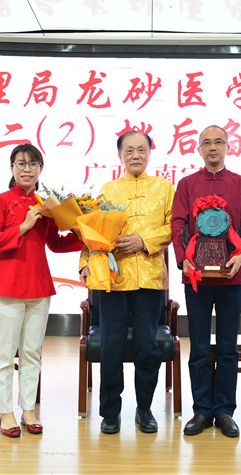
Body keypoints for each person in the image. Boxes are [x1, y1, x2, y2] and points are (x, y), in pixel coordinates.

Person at [0, 143, 83, 438]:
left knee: (31, 353)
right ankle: (5, 413)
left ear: (40, 169)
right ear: (11, 168)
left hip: (39, 287)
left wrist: (85, 233)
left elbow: (56, 244)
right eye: (21, 163)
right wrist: (24, 226)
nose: (27, 169)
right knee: (4, 354)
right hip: (6, 288)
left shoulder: (46, 205)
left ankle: (28, 409)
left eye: (32, 164)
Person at [78, 131, 174, 435]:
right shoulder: (108, 190)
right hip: (113, 280)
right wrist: (84, 263)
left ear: (149, 153)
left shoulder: (164, 188)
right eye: (129, 150)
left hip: (149, 279)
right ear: (120, 155)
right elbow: (92, 231)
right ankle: (110, 413)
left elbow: (172, 228)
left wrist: (143, 240)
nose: (135, 155)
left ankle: (144, 409)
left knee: (148, 348)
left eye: (141, 150)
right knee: (111, 347)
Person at [171, 125, 241, 438]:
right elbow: (177, 223)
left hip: (231, 276)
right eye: (206, 143)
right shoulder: (187, 184)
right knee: (198, 346)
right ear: (198, 149)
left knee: (227, 347)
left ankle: (224, 411)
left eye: (218, 142)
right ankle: (201, 410)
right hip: (196, 278)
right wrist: (183, 259)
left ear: (227, 147)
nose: (212, 147)